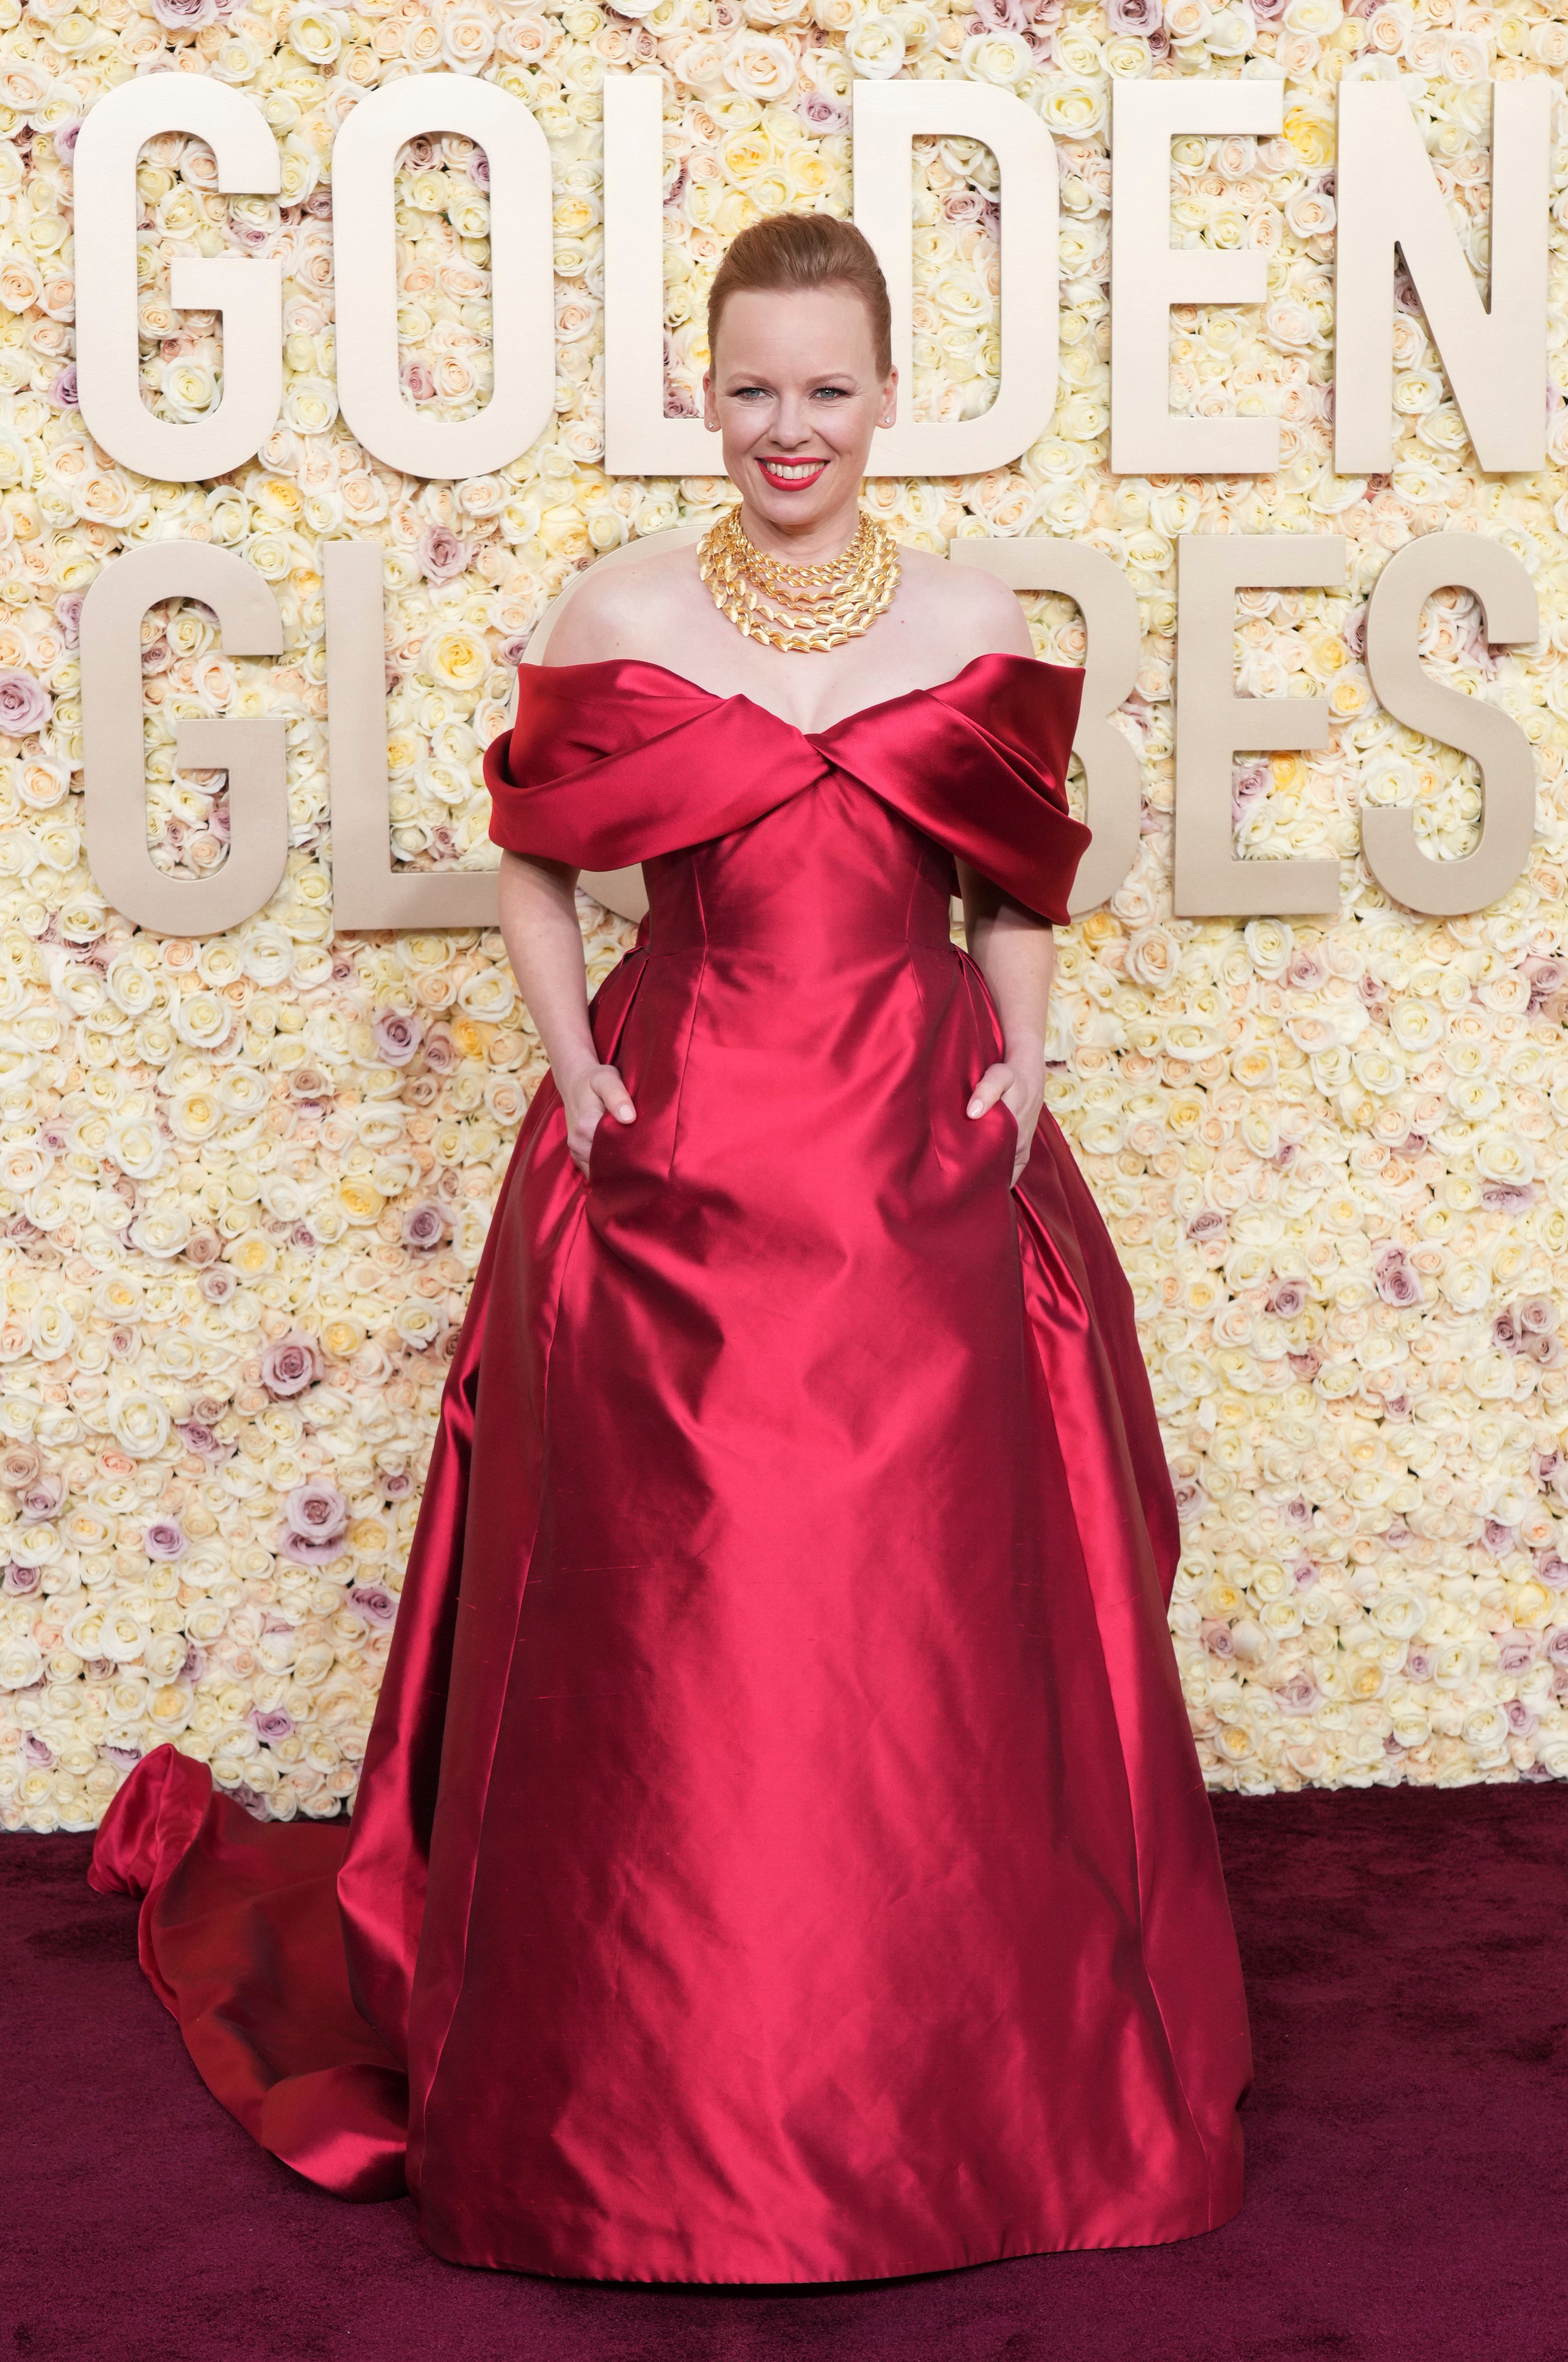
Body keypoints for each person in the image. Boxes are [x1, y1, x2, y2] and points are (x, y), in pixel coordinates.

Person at [92, 214, 1250, 2284]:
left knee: (923, 1630)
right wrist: (577, 1076)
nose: (785, 428)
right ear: (702, 393)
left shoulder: (978, 612)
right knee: (676, 1625)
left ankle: (947, 2085)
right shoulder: (616, 601)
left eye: (824, 388)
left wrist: (1025, 1071)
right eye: (750, 388)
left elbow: (1014, 895)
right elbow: (536, 868)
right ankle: (644, 2096)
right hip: (676, 1150)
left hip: (915, 1152)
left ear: (888, 397)